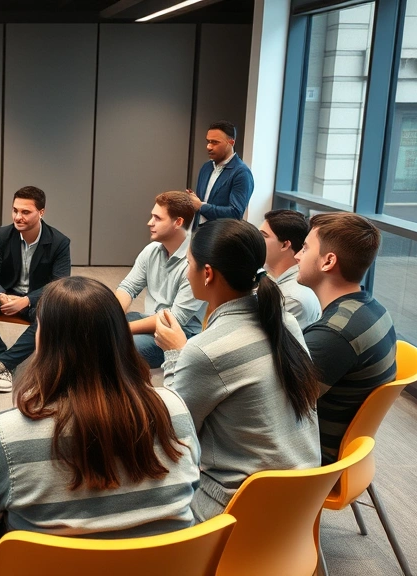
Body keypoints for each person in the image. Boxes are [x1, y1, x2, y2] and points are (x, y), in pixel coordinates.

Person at [0, 277, 200, 576]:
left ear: (45, 341)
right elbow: (190, 491)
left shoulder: (7, 435)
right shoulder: (175, 409)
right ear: (120, 337)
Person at [154, 219, 322, 521]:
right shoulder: (286, 322)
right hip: (300, 503)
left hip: (235, 511)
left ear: (207, 274)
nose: (185, 271)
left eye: (188, 263)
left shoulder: (205, 350)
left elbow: (175, 433)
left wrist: (174, 354)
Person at [295, 213, 396, 464]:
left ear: (328, 261)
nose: (297, 255)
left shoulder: (334, 336)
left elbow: (277, 408)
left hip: (311, 461)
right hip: (345, 452)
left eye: (305, 248)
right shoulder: (372, 309)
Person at [0, 186, 71, 393]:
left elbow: (60, 284)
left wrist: (27, 300)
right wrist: (1, 296)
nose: (17, 217)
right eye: (15, 210)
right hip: (6, 295)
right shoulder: (3, 235)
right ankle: (2, 359)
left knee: (51, 314)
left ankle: (2, 364)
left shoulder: (59, 242)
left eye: (25, 212)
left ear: (41, 212)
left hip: (36, 300)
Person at [115, 191, 206, 368]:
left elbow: (174, 318)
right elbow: (128, 287)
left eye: (157, 218)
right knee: (91, 328)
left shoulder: (195, 262)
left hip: (174, 334)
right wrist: (112, 316)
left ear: (178, 222)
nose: (150, 223)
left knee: (113, 348)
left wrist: (120, 328)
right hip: (149, 319)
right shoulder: (152, 250)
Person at [259, 210, 321, 329]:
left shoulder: (293, 299)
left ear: (285, 245)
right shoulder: (265, 271)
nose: (257, 240)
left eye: (263, 236)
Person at [186, 121, 254, 229]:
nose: (209, 147)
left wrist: (201, 206)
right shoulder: (206, 167)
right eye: (208, 141)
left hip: (220, 238)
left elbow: (235, 214)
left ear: (231, 143)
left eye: (215, 142)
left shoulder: (242, 173)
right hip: (198, 232)